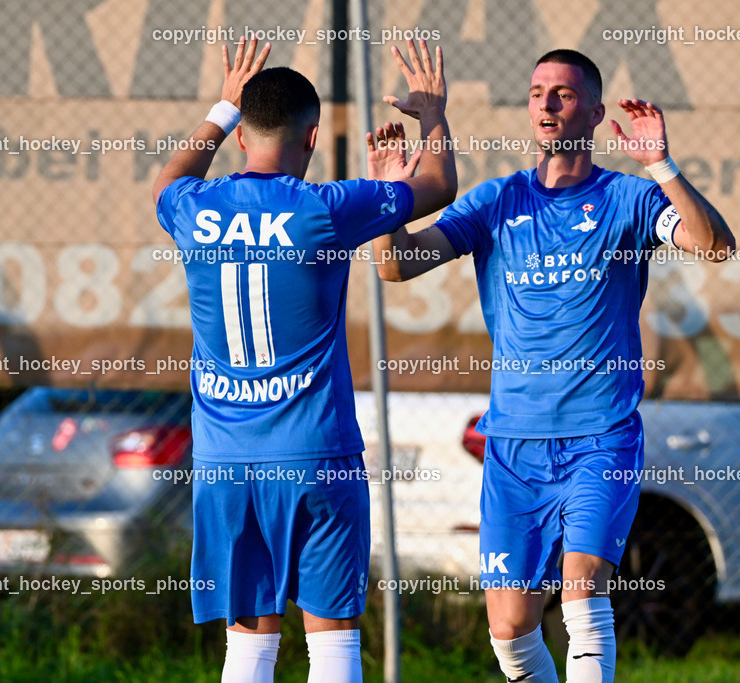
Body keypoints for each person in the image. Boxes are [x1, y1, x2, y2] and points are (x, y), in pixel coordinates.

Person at [368, 49, 734, 682]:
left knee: (582, 590)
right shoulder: (496, 201)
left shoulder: (628, 200)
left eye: (562, 94)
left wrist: (662, 165)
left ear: (593, 113)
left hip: (601, 438)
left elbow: (716, 246)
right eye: (537, 92)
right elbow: (397, 264)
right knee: (510, 629)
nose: (546, 104)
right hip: (514, 445)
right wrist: (388, 197)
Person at [152, 37, 455, 683]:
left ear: (241, 137)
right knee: (333, 644)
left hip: (227, 462)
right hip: (316, 454)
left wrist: (223, 105)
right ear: (313, 137)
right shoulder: (322, 208)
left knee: (249, 646)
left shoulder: (194, 209)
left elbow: (168, 180)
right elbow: (437, 185)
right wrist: (431, 113)